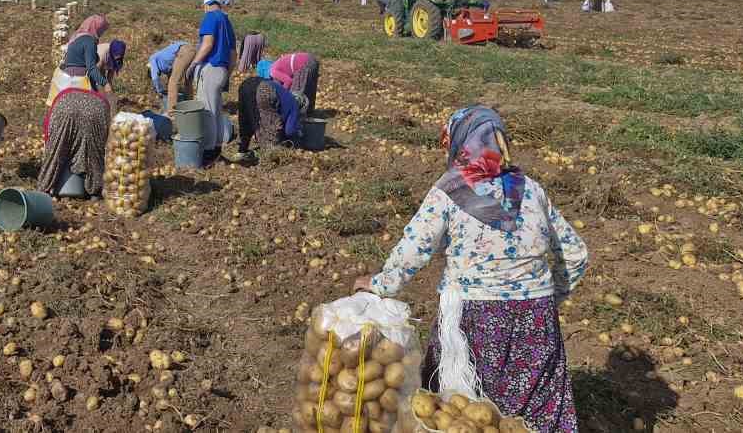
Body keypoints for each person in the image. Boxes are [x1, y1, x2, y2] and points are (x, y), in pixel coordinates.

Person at [353, 106, 588, 433]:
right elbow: (576, 254)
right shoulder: (532, 189)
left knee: (461, 410)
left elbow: (414, 249)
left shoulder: (450, 190)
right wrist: (546, 300)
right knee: (532, 416)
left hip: (476, 319)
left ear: (459, 142)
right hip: (537, 318)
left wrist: (380, 285)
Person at [37, 87, 109, 197]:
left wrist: (50, 155)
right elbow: (103, 144)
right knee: (94, 152)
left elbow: (50, 138)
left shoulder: (58, 103)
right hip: (98, 109)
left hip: (66, 106)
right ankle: (95, 191)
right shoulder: (101, 101)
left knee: (55, 151)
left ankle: (44, 188)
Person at [192, 0, 236, 157]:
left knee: (207, 111)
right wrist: (227, 74)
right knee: (216, 110)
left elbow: (208, 43)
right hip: (222, 71)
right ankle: (217, 147)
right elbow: (233, 54)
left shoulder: (210, 16)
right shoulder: (226, 21)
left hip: (211, 68)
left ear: (206, 5)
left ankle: (208, 151)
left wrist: (194, 63)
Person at [46, 15, 113, 104]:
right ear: (96, 28)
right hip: (77, 81)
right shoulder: (89, 41)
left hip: (63, 79)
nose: (101, 33)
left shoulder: (76, 38)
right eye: (101, 30)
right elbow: (91, 68)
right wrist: (105, 83)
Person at [232, 75, 301, 156]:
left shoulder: (287, 95)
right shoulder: (295, 105)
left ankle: (242, 150)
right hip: (265, 89)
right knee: (270, 125)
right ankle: (269, 154)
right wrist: (298, 134)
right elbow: (290, 130)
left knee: (245, 117)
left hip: (246, 84)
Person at [148, 40, 197, 113]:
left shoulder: (152, 59)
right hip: (192, 50)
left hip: (183, 50)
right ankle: (190, 108)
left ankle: (171, 113)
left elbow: (155, 78)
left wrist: (160, 91)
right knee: (187, 82)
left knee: (173, 82)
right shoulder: (163, 62)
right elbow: (172, 74)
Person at [268, 51, 320, 116]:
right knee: (309, 91)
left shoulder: (273, 72)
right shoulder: (276, 65)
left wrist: (283, 94)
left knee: (296, 95)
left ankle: (296, 118)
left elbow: (288, 81)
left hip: (303, 64)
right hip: (311, 60)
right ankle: (310, 114)